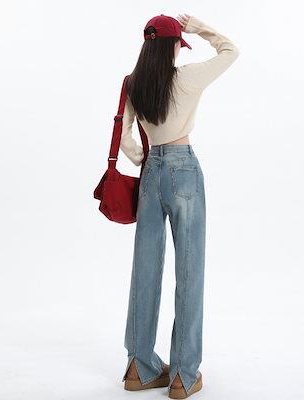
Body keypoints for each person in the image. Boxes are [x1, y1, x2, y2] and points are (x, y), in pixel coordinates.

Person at [119, 13, 239, 399]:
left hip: (151, 173)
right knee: (189, 270)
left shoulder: (134, 84)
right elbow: (230, 51)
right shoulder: (186, 78)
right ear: (173, 45)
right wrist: (199, 27)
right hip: (183, 170)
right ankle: (183, 375)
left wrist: (142, 159)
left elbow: (123, 133)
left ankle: (139, 366)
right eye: (178, 44)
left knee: (145, 269)